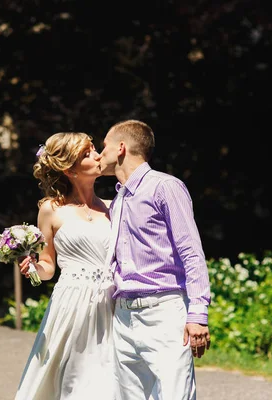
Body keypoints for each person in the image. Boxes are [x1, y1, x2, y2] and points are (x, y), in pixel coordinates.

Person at [97, 119, 212, 400]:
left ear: (121, 148)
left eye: (104, 147)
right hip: (123, 316)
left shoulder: (165, 187)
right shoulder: (120, 197)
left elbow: (191, 252)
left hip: (164, 312)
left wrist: (198, 314)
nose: (100, 155)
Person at [15, 132, 116, 400]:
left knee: (110, 380)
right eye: (87, 153)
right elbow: (48, 264)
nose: (97, 156)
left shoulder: (113, 208)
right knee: (74, 379)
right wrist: (33, 270)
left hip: (113, 302)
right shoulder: (51, 209)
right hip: (72, 304)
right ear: (70, 169)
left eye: (94, 149)